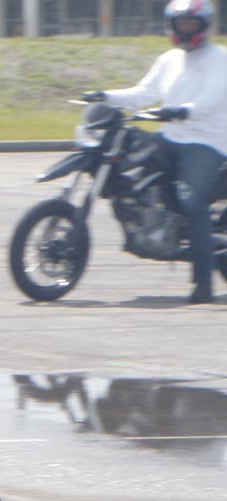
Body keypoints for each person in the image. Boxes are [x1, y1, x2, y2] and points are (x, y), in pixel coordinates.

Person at [88, 0, 227, 304]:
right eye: (180, 25)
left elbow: (211, 99)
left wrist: (183, 111)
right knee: (128, 172)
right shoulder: (169, 59)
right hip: (169, 137)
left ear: (203, 26)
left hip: (205, 143)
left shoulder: (220, 58)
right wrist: (105, 96)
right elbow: (143, 93)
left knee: (193, 202)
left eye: (190, 24)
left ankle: (203, 283)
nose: (185, 30)